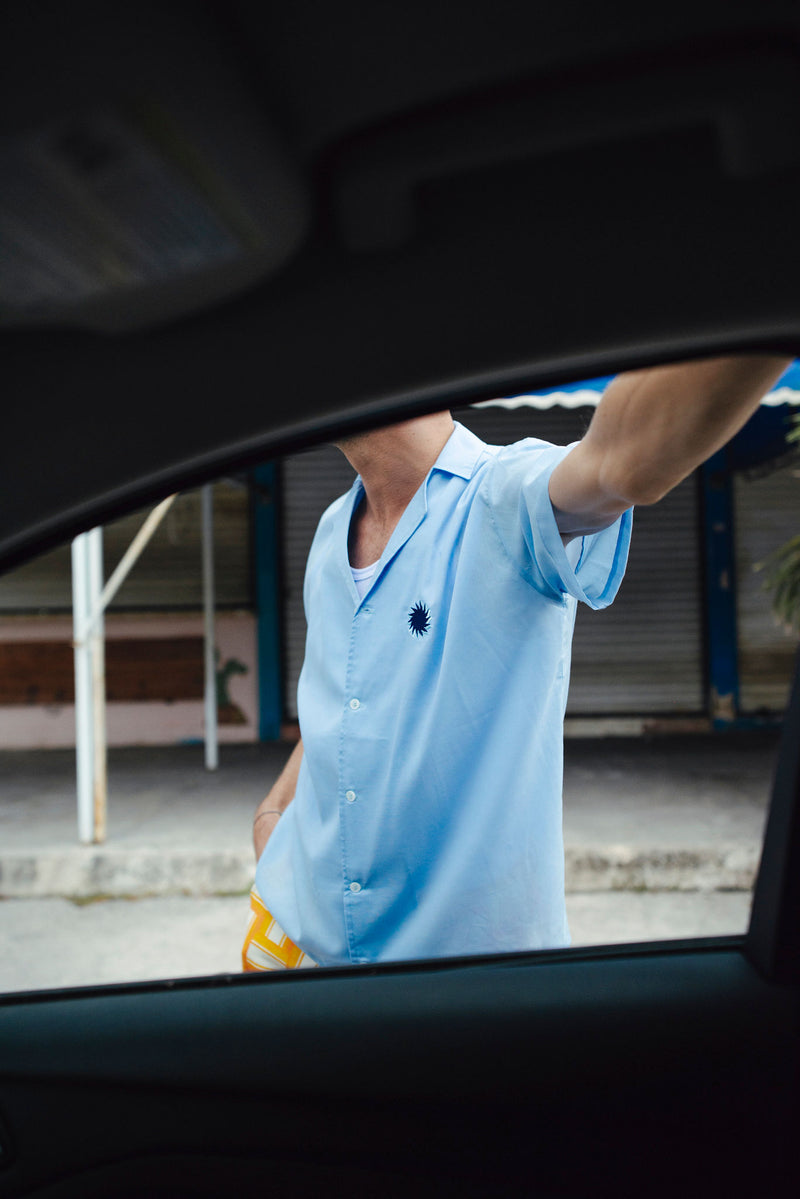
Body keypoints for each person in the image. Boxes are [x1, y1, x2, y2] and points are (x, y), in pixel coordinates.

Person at [242, 353, 791, 972]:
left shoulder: (503, 497)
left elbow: (623, 461)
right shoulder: (329, 530)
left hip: (474, 995)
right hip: (302, 951)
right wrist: (275, 815)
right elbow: (346, 691)